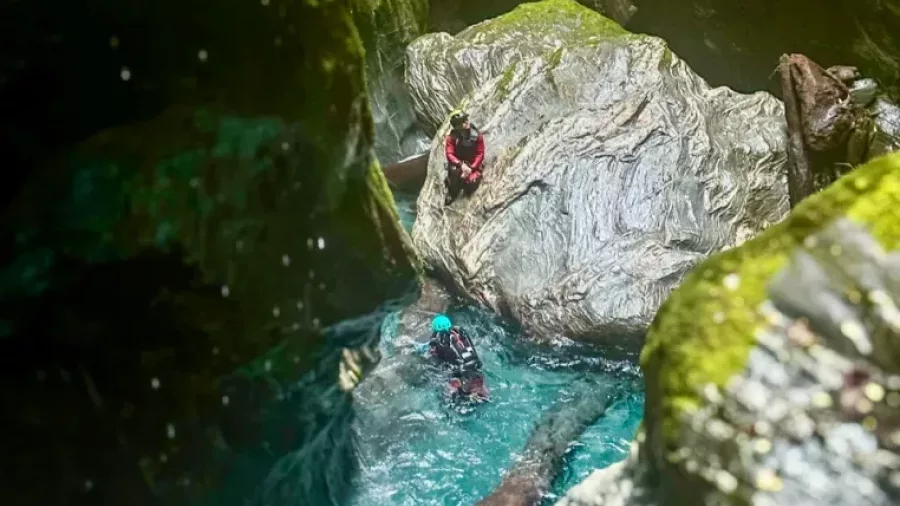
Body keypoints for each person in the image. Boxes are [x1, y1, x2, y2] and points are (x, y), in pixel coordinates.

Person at [425, 314, 489, 402]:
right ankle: (482, 394)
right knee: (481, 393)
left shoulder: (438, 339)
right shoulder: (460, 333)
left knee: (447, 395)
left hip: (460, 374)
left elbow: (433, 354)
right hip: (476, 369)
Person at [444, 110, 486, 205]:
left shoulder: (477, 135)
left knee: (471, 183)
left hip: (473, 164)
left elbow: (480, 153)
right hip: (459, 163)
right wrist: (460, 165)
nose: (467, 122)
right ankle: (452, 192)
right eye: (463, 121)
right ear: (457, 126)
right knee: (454, 173)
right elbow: (449, 154)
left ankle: (464, 181)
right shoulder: (451, 138)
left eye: (466, 119)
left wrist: (471, 168)